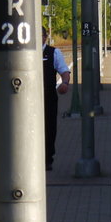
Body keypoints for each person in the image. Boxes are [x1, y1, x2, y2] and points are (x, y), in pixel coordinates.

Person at [41, 27, 71, 171]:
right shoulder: (24, 53)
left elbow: (64, 70)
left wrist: (65, 83)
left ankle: (47, 159)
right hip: (28, 99)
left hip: (48, 97)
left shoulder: (54, 53)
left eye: (39, 35)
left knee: (49, 127)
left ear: (45, 37)